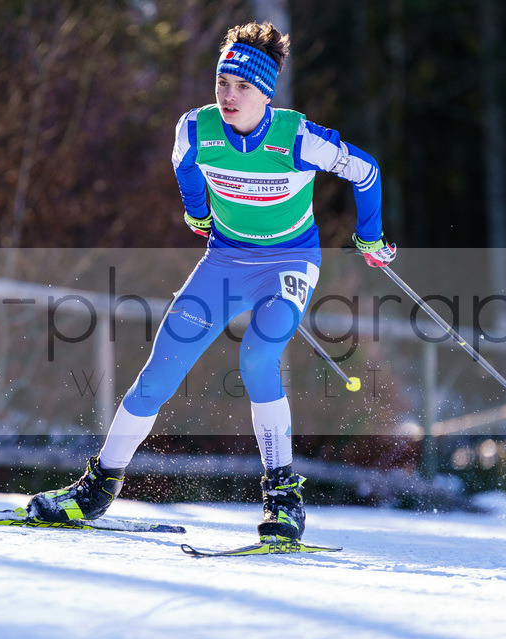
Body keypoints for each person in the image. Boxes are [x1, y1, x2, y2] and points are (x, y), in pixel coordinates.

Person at [26, 21, 394, 541]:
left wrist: (370, 238)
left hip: (288, 264)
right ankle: (97, 488)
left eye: (242, 87)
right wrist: (199, 214)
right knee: (159, 371)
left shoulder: (299, 139)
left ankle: (284, 498)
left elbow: (366, 171)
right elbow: (185, 168)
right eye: (222, 82)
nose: (228, 95)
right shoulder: (196, 130)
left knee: (258, 356)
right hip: (224, 262)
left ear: (265, 94)